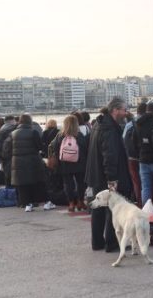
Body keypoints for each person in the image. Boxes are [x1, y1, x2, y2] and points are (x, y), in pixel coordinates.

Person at [85, 99, 133, 252]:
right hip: (108, 176)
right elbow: (110, 156)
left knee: (98, 210)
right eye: (124, 110)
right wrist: (112, 179)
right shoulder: (109, 129)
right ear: (115, 110)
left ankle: (97, 242)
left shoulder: (98, 124)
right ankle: (112, 243)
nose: (126, 113)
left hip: (95, 175)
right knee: (113, 210)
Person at [52, 114, 89, 212]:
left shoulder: (60, 136)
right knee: (81, 183)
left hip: (65, 163)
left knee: (68, 184)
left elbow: (55, 148)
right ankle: (81, 201)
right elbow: (85, 148)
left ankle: (71, 203)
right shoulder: (79, 135)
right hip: (79, 163)